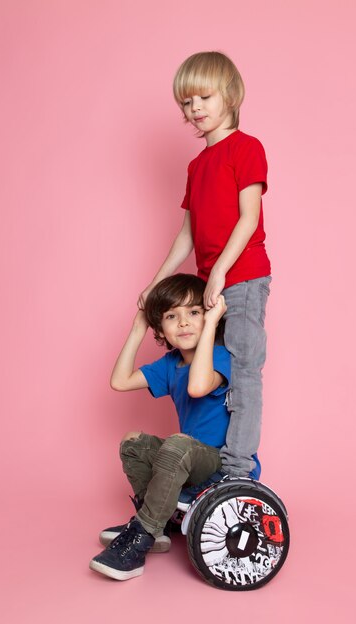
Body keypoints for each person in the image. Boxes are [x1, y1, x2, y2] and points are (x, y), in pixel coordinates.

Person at [138, 51, 271, 479]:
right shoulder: (197, 165)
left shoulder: (246, 148)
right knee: (211, 370)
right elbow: (187, 235)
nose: (194, 109)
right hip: (209, 286)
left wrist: (217, 273)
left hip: (244, 279)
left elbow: (248, 218)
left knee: (244, 373)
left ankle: (236, 468)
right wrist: (155, 285)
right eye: (186, 102)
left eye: (203, 98)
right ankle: (208, 465)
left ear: (230, 96)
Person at [89, 274, 229, 581]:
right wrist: (139, 326)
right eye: (171, 316)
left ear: (209, 315)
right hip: (183, 457)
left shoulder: (220, 356)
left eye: (194, 312)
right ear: (161, 328)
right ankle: (157, 524)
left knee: (178, 443)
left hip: (218, 464)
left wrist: (211, 325)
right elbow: (120, 381)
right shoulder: (170, 365)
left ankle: (141, 536)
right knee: (134, 441)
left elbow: (197, 387)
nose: (183, 323)